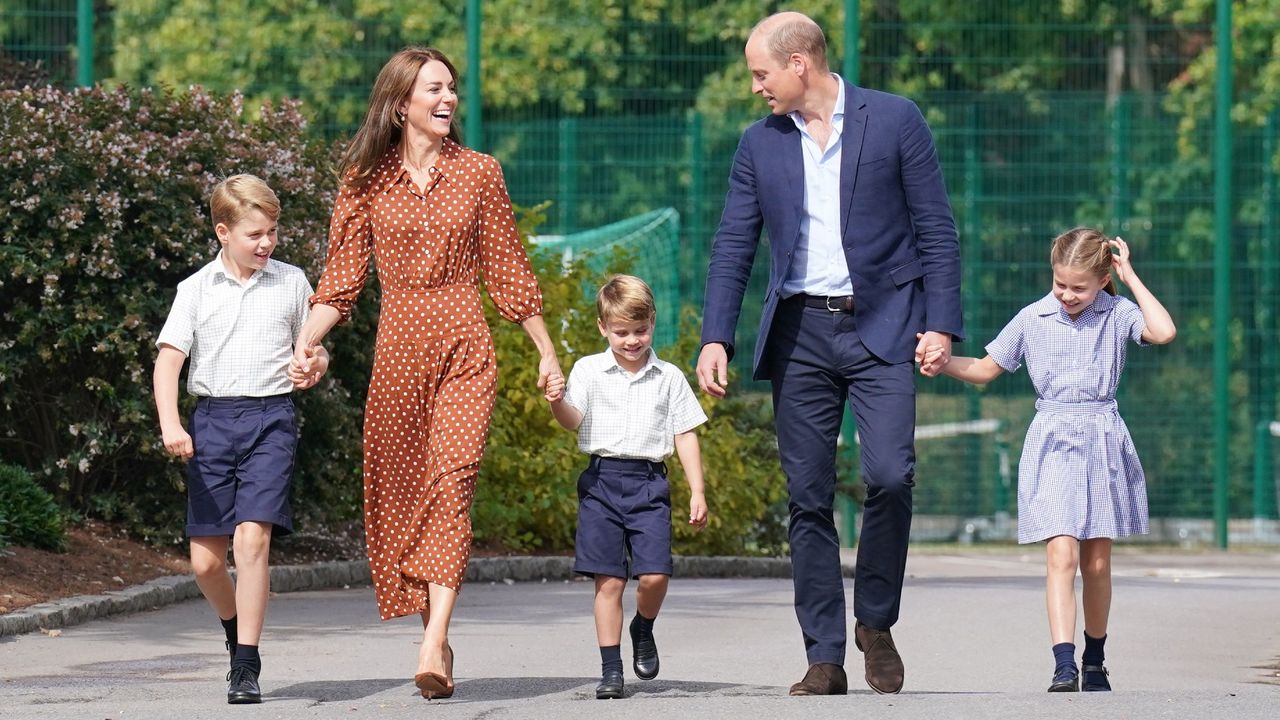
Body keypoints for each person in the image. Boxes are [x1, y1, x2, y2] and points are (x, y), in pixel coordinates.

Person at [696, 11, 963, 696]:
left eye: (761, 73)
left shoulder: (895, 120)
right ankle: (824, 654)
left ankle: (874, 620)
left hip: (884, 327)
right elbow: (734, 243)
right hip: (800, 336)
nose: (756, 87)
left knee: (891, 474)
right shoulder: (760, 145)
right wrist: (716, 336)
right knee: (808, 496)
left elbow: (936, 228)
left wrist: (941, 325)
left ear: (799, 65)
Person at [289, 47, 563, 700]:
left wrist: (546, 351)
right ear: (400, 102)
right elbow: (342, 277)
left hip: (465, 346)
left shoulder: (479, 173)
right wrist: (305, 342)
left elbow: (506, 266)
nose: (448, 100)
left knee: (453, 482)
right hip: (398, 354)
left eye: (452, 90)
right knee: (407, 498)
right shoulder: (365, 180)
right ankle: (434, 628)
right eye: (434, 89)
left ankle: (433, 637)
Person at [921, 229, 1175, 692]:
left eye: (1079, 287)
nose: (1068, 295)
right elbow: (984, 368)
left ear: (1102, 280)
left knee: (1096, 562)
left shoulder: (1117, 314)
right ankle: (1064, 663)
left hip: (1102, 438)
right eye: (1061, 284)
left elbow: (1163, 331)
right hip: (1053, 440)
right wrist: (945, 362)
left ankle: (1095, 658)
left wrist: (1131, 276)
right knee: (1061, 554)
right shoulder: (1032, 317)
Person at [153, 174, 329, 705]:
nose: (266, 243)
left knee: (252, 537)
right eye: (255, 234)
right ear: (223, 232)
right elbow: (167, 364)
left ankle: (247, 666)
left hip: (272, 419)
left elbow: (314, 350)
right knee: (206, 561)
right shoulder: (195, 289)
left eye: (272, 231)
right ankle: (234, 633)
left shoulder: (293, 282)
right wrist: (171, 424)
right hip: (211, 423)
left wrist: (315, 363)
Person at [544, 274, 709, 700]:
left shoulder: (668, 377)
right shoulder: (588, 370)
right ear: (603, 328)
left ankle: (644, 626)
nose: (631, 340)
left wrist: (697, 491)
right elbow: (572, 420)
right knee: (609, 581)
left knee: (654, 575)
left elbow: (685, 433)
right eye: (621, 332)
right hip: (601, 482)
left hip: (649, 484)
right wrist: (556, 402)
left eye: (640, 330)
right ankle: (611, 670)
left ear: (652, 322)